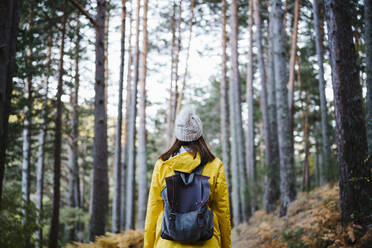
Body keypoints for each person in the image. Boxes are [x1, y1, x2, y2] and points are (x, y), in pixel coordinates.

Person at [144, 106, 231, 248]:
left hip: (168, 243)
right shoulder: (215, 165)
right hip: (207, 243)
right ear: (199, 134)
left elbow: (153, 210)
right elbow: (223, 212)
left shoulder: (163, 164)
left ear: (178, 135)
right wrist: (226, 245)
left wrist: (148, 245)